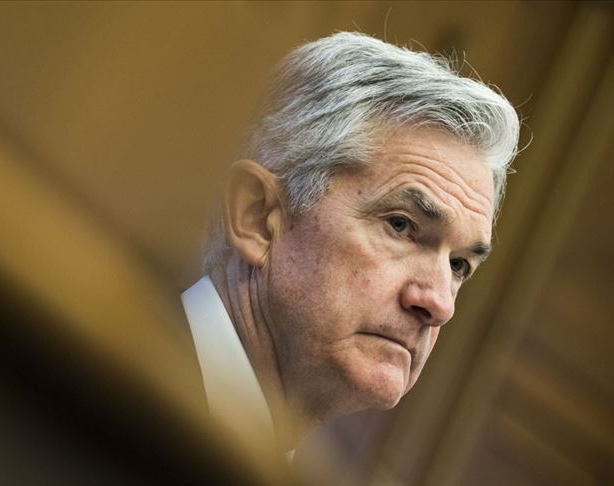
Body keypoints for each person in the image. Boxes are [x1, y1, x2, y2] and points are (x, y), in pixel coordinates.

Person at [181, 32, 520, 453]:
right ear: (258, 219)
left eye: (458, 266)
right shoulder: (120, 387)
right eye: (401, 225)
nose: (438, 304)